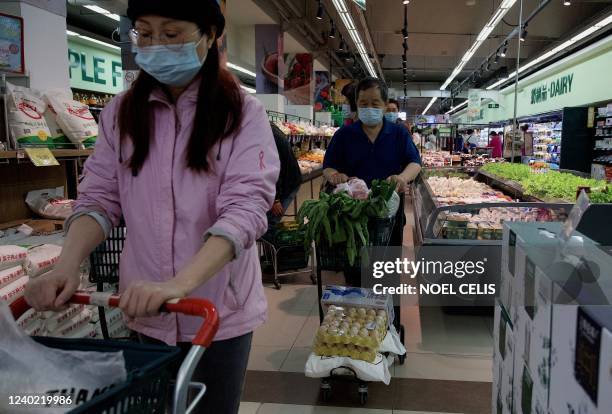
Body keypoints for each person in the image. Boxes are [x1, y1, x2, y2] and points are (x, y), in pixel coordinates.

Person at [24, 1, 280, 413]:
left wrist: (180, 283)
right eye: (144, 33)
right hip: (146, 308)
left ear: (210, 36)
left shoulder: (241, 113)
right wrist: (66, 265)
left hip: (218, 310)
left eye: (172, 34)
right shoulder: (122, 114)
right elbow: (99, 198)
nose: (156, 45)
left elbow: (246, 209)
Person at [323, 77, 421, 248]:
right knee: (356, 265)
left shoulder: (399, 134)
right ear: (357, 104)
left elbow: (415, 163)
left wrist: (402, 178)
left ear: (384, 105)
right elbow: (328, 166)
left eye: (375, 104)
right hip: (352, 212)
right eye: (363, 103)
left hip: (389, 210)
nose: (369, 108)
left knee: (387, 262)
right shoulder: (344, 135)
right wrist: (334, 175)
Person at [267, 122, 302, 232]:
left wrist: (276, 199)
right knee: (268, 220)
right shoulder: (269, 129)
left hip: (288, 181)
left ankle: (272, 246)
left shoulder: (269, 135)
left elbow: (274, 166)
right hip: (288, 177)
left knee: (271, 220)